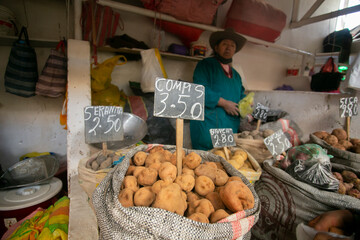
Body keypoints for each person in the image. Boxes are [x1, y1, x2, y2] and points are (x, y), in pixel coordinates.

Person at [190, 28, 247, 150]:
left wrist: (248, 105)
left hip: (229, 125)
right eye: (225, 44)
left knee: (224, 158)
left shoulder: (236, 75)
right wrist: (224, 103)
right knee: (206, 160)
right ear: (216, 48)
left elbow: (241, 94)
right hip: (209, 124)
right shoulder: (205, 65)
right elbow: (199, 90)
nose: (228, 48)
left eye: (232, 45)